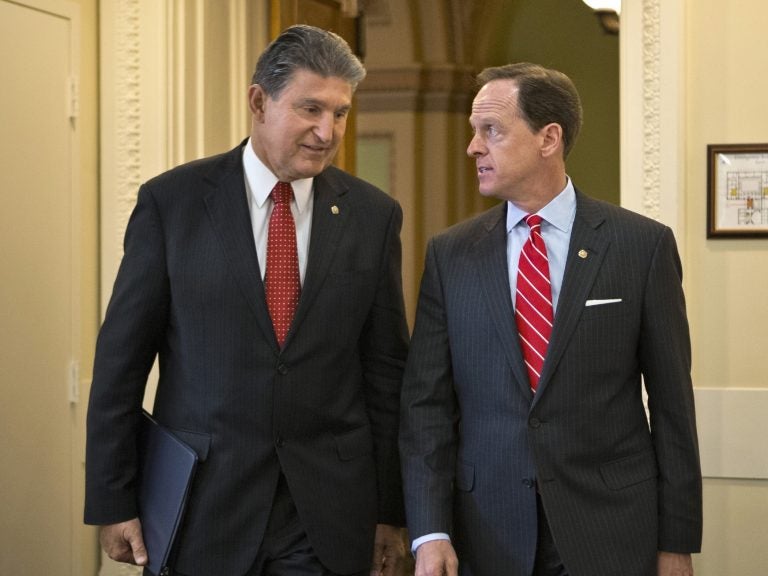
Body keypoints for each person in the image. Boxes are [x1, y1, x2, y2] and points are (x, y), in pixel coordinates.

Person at [85, 25, 410, 576]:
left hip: (327, 514)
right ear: (259, 102)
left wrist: (391, 509)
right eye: (311, 109)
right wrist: (113, 498)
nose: (327, 131)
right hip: (202, 505)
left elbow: (385, 372)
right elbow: (121, 363)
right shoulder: (173, 204)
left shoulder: (373, 217)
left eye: (340, 113)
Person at [399, 63, 702, 576]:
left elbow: (673, 407)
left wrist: (676, 543)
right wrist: (430, 532)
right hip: (485, 533)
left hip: (611, 531)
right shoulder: (451, 255)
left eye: (490, 130)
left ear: (549, 138)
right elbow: (425, 406)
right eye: (475, 132)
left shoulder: (640, 246)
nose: (474, 147)